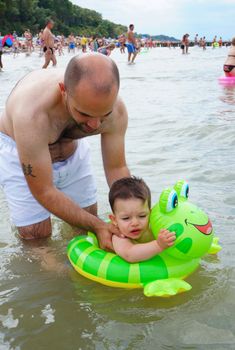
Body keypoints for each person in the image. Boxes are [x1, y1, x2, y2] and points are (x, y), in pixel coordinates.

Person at [0, 53, 130, 250]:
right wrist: (98, 226)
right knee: (36, 238)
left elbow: (117, 168)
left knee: (85, 225)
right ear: (64, 91)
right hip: (20, 150)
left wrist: (136, 214)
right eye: (84, 113)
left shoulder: (117, 110)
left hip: (72, 151)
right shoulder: (31, 114)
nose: (94, 125)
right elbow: (44, 190)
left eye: (104, 115)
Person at [109, 177, 176, 263]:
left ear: (150, 213)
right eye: (126, 218)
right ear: (114, 220)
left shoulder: (153, 228)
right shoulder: (119, 237)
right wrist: (158, 245)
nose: (135, 223)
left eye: (142, 216)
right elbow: (129, 254)